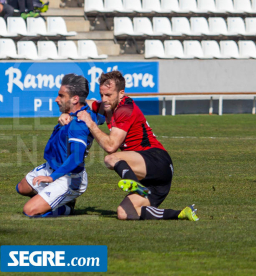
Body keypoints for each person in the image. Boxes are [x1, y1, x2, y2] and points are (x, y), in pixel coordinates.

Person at [59, 71, 199, 221]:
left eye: (109, 95)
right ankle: (182, 213)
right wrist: (69, 112)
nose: (104, 99)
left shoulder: (125, 109)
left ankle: (134, 185)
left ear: (121, 93)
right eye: (102, 95)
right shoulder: (108, 106)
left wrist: (90, 123)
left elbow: (111, 145)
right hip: (154, 179)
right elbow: (87, 103)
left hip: (156, 160)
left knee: (110, 159)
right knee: (125, 213)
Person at [16, 74, 104, 217]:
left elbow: (76, 158)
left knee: (29, 211)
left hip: (69, 177)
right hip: (53, 167)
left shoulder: (78, 124)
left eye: (61, 96)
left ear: (75, 99)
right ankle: (57, 199)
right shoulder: (82, 113)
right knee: (22, 188)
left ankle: (67, 207)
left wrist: (52, 178)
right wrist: (71, 113)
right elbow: (100, 114)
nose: (56, 99)